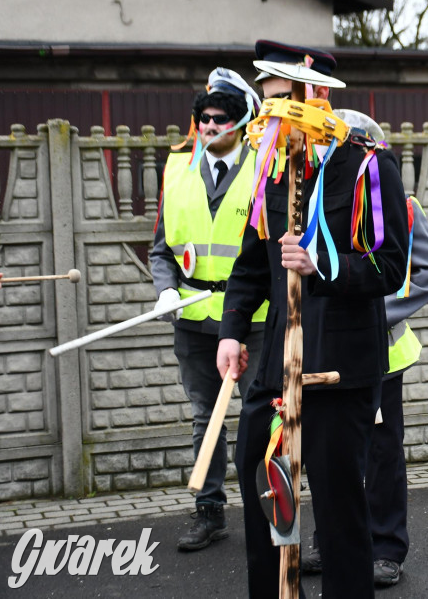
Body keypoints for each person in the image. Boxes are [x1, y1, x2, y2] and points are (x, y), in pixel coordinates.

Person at [217, 40, 409, 599]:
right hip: (278, 364)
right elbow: (251, 265)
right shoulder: (273, 169)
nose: (272, 116)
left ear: (317, 94)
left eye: (282, 101)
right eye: (267, 103)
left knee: (338, 501)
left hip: (343, 367)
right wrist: (231, 331)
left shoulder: (368, 165)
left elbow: (391, 266)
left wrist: (322, 264)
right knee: (258, 477)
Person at [302, 180, 428, 587]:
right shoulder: (314, 204)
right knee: (330, 455)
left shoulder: (402, 205)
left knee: (381, 456)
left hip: (381, 359)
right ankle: (330, 542)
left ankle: (385, 549)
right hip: (326, 354)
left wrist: (372, 316)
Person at [148, 68, 266, 552]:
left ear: (240, 122)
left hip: (253, 321)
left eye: (220, 118)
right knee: (204, 418)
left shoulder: (265, 165)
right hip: (195, 320)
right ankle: (209, 511)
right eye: (204, 118)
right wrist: (166, 290)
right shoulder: (177, 166)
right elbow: (161, 249)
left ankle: (269, 509)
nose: (210, 126)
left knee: (262, 417)